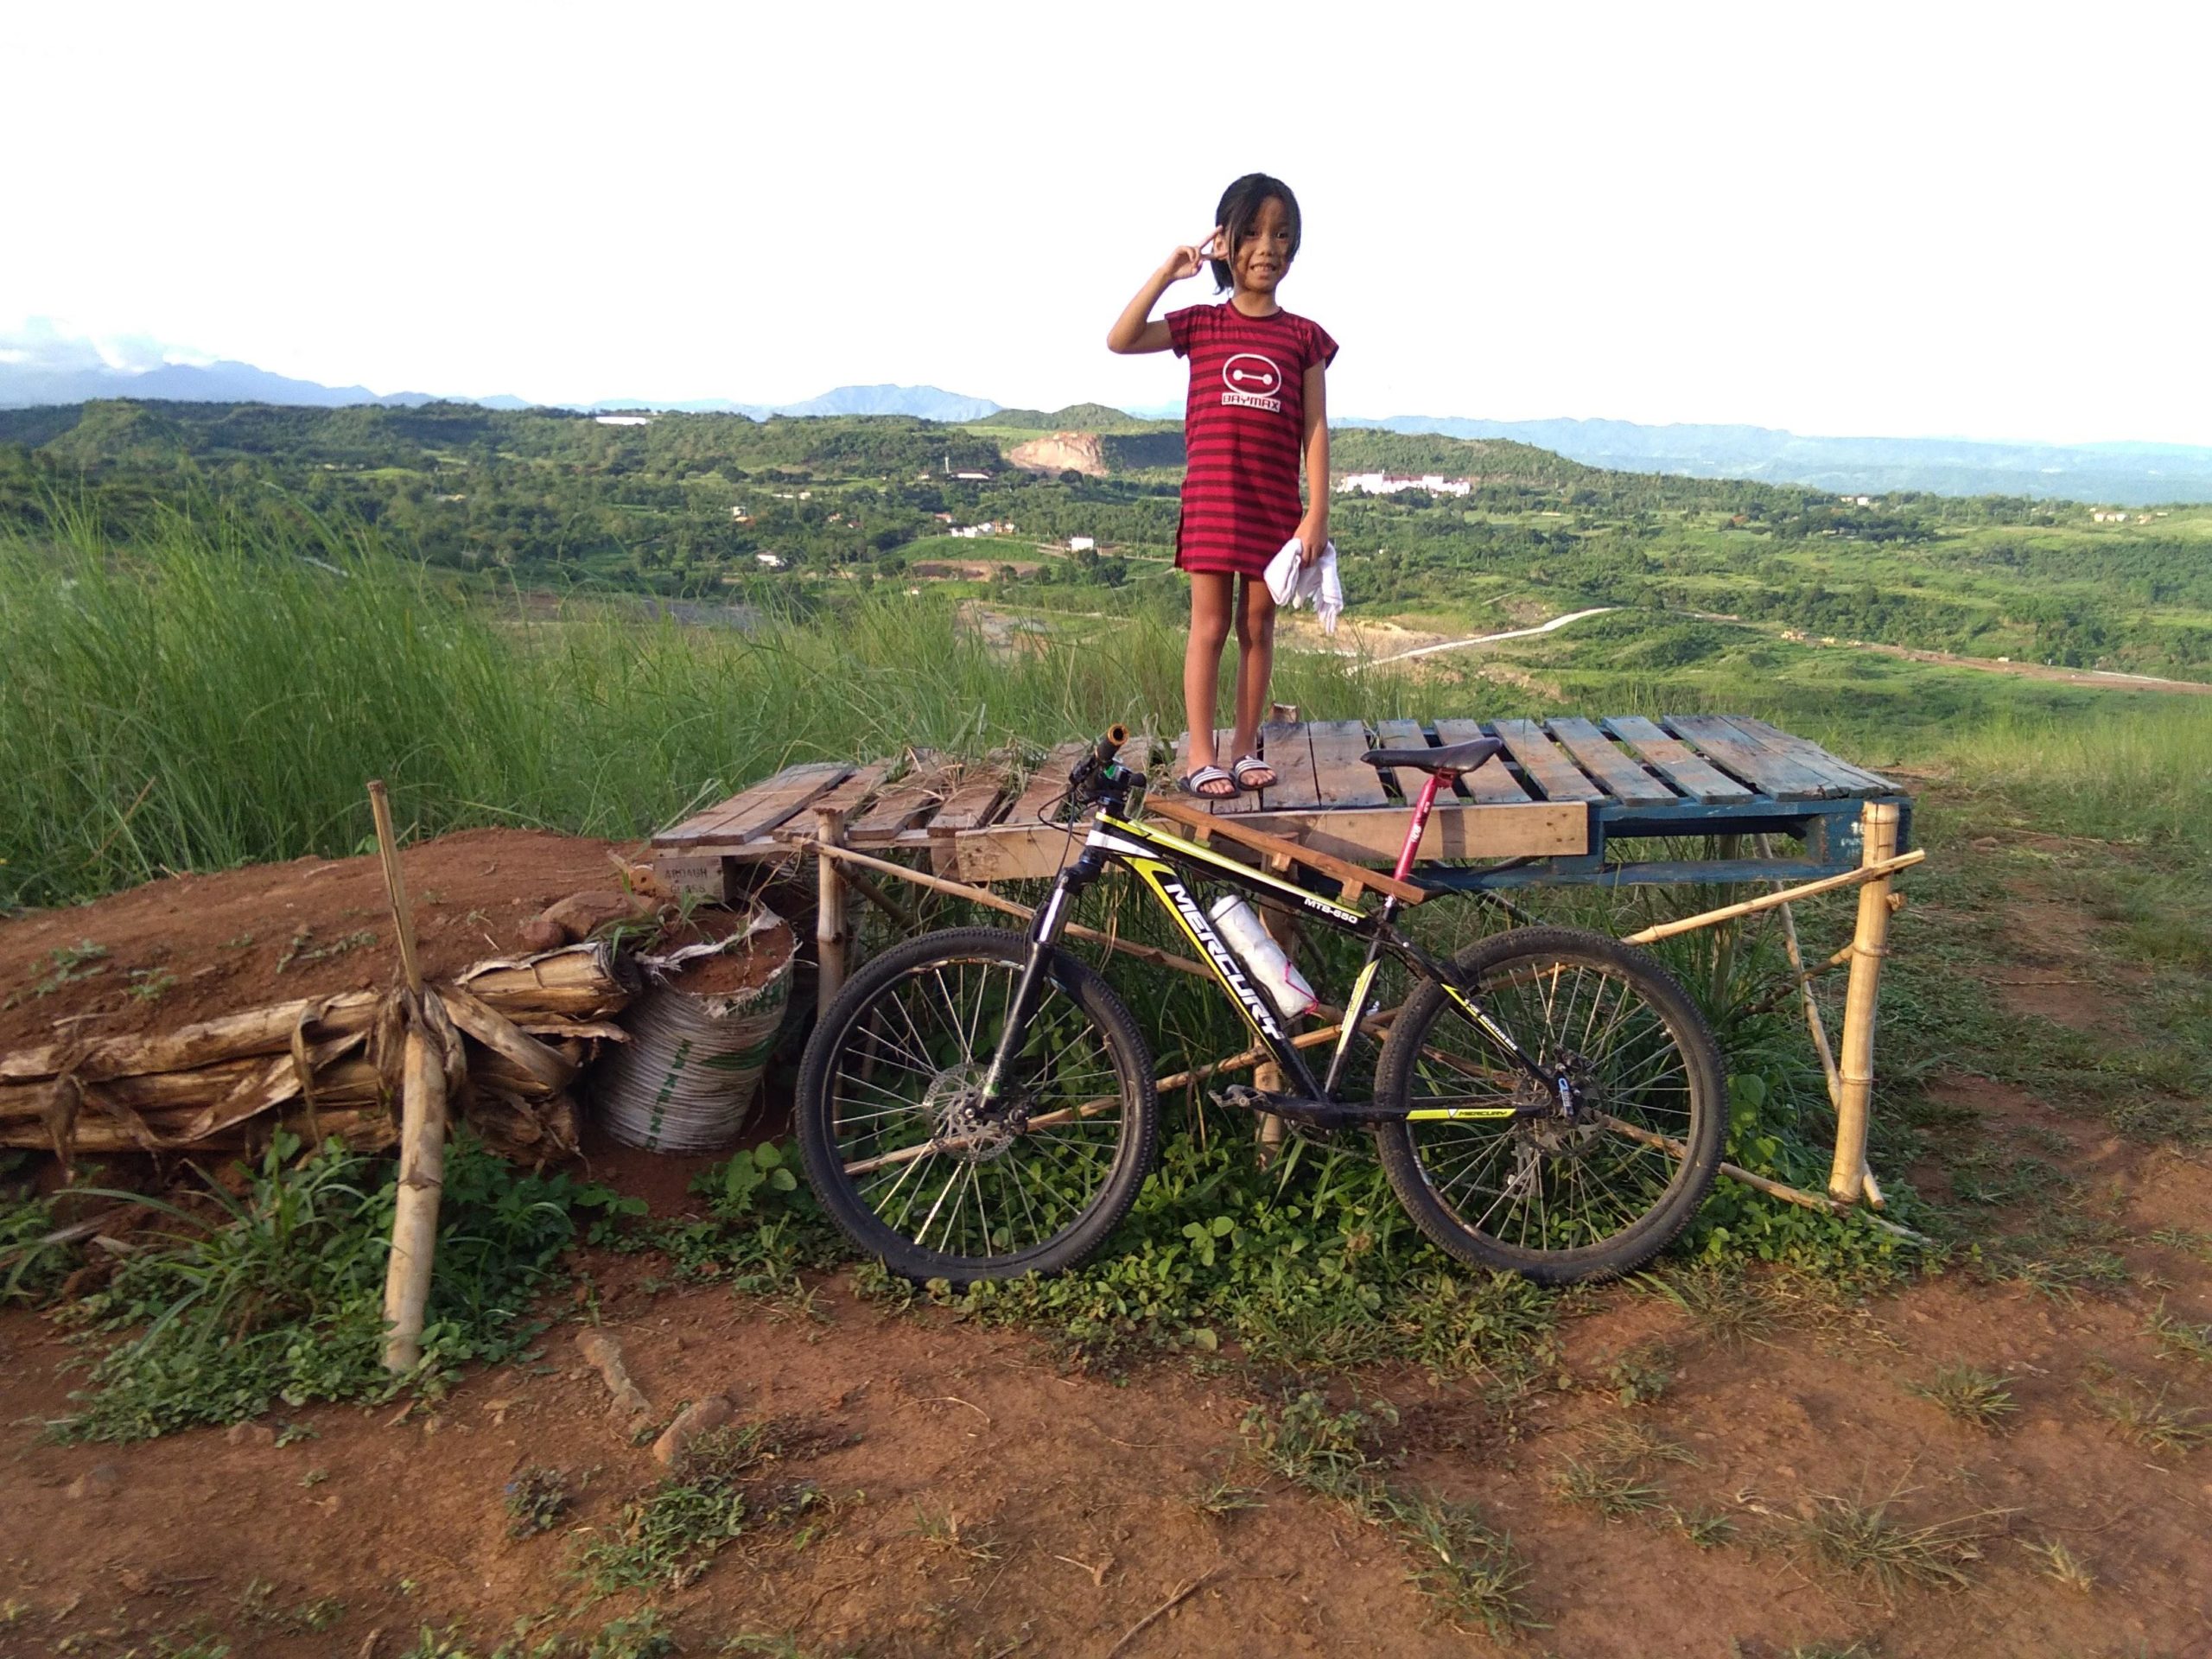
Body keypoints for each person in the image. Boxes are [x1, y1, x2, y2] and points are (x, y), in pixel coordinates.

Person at [1106, 172, 1337, 798]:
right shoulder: (1201, 325)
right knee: (1208, 627)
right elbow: (1120, 339)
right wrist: (1169, 271)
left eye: (1283, 235)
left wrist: (1316, 513)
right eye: (1254, 233)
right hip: (1213, 501)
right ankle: (1200, 754)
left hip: (1274, 507)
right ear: (1227, 243)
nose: (1269, 247)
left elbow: (1315, 428)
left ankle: (1243, 748)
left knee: (1258, 628)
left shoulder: (1304, 338)